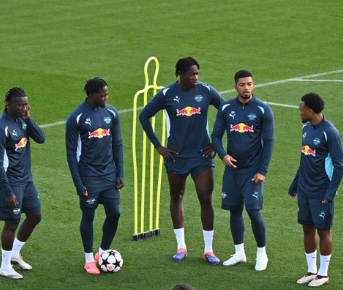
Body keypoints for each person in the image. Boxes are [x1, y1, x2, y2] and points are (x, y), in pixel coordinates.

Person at [138, 57, 225, 263]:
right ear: (180, 73)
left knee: (205, 197)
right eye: (191, 74)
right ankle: (181, 247)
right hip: (176, 156)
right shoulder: (168, 94)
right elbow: (144, 116)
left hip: (201, 156)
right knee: (176, 196)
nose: (196, 77)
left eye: (197, 73)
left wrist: (216, 142)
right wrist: (158, 146)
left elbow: (226, 112)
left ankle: (209, 250)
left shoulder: (206, 91)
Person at [211, 70, 274, 270]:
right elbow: (215, 136)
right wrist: (223, 155)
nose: (246, 88)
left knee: (254, 211)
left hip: (253, 171)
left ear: (253, 85)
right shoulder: (226, 107)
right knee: (234, 211)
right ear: (235, 86)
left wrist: (262, 170)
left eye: (249, 84)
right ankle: (239, 252)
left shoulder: (263, 110)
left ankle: (262, 254)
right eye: (242, 84)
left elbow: (269, 142)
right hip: (232, 171)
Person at [65, 78, 124, 275]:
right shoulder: (77, 117)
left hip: (109, 174)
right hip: (88, 176)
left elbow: (117, 144)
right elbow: (71, 154)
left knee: (114, 213)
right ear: (91, 95)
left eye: (107, 93)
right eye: (103, 94)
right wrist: (78, 183)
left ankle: (103, 251)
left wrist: (120, 173)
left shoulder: (112, 113)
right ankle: (89, 259)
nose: (107, 97)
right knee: (88, 215)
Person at [288, 93, 343, 288]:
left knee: (323, 230)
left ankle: (323, 273)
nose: (299, 111)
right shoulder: (306, 128)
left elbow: (339, 165)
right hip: (304, 189)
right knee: (306, 228)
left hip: (321, 191)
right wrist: (295, 183)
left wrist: (330, 193)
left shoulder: (330, 133)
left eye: (301, 108)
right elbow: (305, 159)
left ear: (310, 111)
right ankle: (312, 271)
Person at [0, 88, 46, 279]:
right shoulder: (0, 128)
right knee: (11, 223)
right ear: (9, 104)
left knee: (35, 216)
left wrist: (28, 119)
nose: (24, 107)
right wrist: (7, 191)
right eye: (20, 104)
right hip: (11, 181)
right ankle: (5, 266)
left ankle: (14, 254)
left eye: (26, 104)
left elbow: (41, 138)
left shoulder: (22, 121)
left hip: (27, 179)